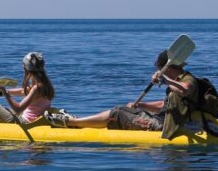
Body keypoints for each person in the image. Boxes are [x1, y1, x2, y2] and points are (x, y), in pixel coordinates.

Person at [45, 50, 199, 140]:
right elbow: (164, 105)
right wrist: (140, 105)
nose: (158, 70)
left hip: (162, 126)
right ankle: (77, 120)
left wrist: (164, 80)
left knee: (118, 112)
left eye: (160, 67)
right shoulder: (176, 80)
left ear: (167, 67)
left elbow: (185, 89)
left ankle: (72, 123)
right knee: (125, 109)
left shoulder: (187, 79)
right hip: (162, 119)